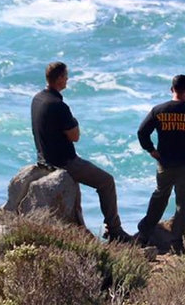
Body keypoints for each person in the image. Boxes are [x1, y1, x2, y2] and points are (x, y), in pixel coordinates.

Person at [31, 62, 133, 243]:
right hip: (63, 161)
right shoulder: (59, 105)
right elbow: (75, 136)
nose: (68, 79)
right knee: (106, 182)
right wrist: (74, 120)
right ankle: (115, 230)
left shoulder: (37, 99)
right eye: (66, 76)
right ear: (60, 78)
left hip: (43, 158)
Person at [135, 74, 185, 254]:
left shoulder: (158, 110)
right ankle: (176, 240)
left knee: (159, 197)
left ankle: (144, 234)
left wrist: (151, 150)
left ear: (171, 89)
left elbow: (142, 132)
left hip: (164, 163)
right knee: (184, 204)